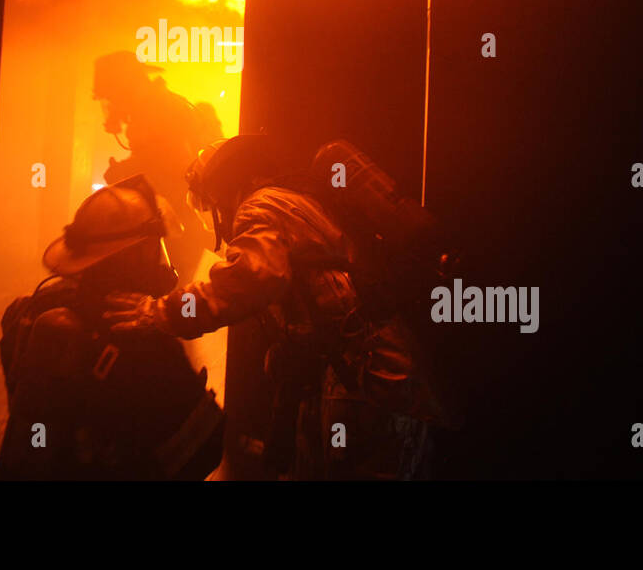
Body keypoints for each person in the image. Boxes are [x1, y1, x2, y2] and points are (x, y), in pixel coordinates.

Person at [103, 135, 452, 480]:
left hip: (366, 385)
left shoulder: (260, 208)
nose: (213, 216)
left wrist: (160, 313)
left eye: (207, 203)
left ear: (223, 186)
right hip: (381, 379)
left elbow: (247, 280)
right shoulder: (292, 201)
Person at [0, 174, 224, 480]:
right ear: (135, 254)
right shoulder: (141, 334)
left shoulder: (33, 307)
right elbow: (203, 451)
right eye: (154, 245)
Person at [92, 50, 221, 278]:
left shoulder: (157, 110)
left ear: (124, 87)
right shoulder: (152, 108)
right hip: (180, 223)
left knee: (169, 290)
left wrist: (125, 173)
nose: (110, 104)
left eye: (111, 95)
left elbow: (174, 169)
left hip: (182, 226)